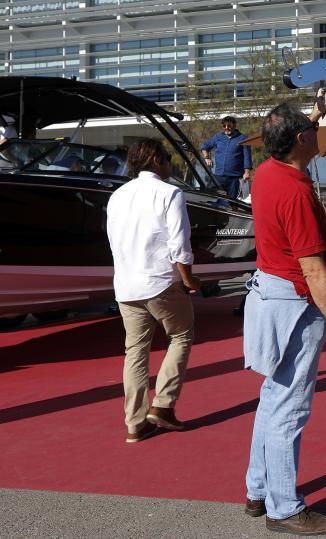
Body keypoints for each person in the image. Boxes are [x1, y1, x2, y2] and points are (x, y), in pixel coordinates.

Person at [242, 93, 326, 535]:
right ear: (299, 141)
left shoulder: (267, 171)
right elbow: (314, 271)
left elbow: (293, 139)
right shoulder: (297, 192)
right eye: (310, 131)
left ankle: (258, 491)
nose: (315, 133)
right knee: (288, 408)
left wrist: (313, 112)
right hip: (294, 303)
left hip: (268, 294)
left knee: (272, 400)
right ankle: (284, 507)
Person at [106, 138, 200, 444]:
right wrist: (189, 280)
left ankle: (135, 423)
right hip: (161, 281)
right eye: (169, 157)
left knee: (135, 351)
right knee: (181, 335)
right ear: (157, 160)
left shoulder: (117, 196)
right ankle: (163, 405)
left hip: (126, 285)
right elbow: (180, 246)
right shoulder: (170, 193)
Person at [200, 116, 252, 199]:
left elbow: (247, 156)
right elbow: (204, 146)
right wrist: (206, 158)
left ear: (234, 125)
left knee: (232, 202)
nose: (226, 128)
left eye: (229, 125)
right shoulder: (218, 137)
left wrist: (247, 172)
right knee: (213, 199)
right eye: (224, 126)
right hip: (218, 176)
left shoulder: (243, 138)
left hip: (234, 178)